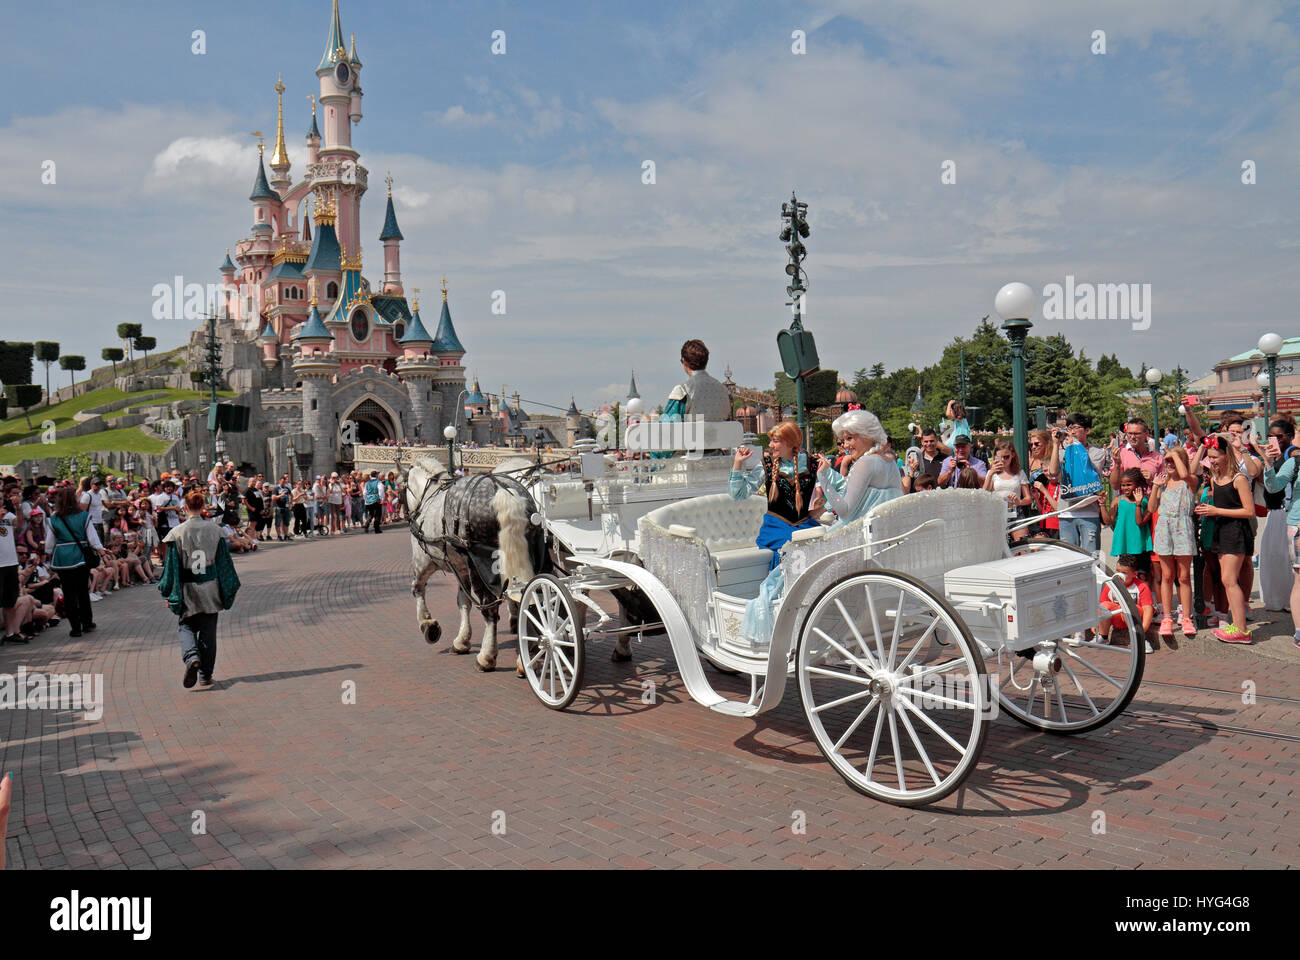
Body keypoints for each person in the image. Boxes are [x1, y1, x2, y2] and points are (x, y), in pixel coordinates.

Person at [729, 422, 819, 645]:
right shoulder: (767, 465)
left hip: (804, 526)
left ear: (789, 443)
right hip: (776, 528)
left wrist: (822, 509)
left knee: (815, 549)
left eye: (775, 441)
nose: (770, 445)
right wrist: (737, 465)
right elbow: (738, 494)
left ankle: (812, 611)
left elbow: (841, 489)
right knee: (788, 552)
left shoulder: (815, 464)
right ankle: (781, 615)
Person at [158, 489, 241, 689]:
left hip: (187, 588)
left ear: (185, 507)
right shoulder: (215, 530)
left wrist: (167, 589)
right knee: (208, 631)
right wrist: (228, 587)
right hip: (210, 587)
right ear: (203, 507)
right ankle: (205, 674)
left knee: (185, 625)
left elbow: (171, 566)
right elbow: (224, 563)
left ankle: (191, 656)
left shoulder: (177, 533)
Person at [1194, 435, 1255, 644]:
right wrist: (1207, 508)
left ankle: (1241, 629)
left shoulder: (1238, 479)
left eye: (1215, 457)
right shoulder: (1214, 478)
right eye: (1209, 457)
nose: (1212, 461)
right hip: (1222, 530)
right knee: (1226, 580)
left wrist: (1216, 509)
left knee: (1229, 580)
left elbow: (1249, 511)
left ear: (1226, 455)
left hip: (1235, 532)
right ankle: (1237, 625)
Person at [814, 409, 903, 528]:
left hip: (862, 538)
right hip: (888, 533)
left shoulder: (866, 463)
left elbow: (844, 511)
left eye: (849, 438)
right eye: (844, 440)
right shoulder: (890, 462)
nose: (845, 445)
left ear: (866, 436)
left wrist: (822, 476)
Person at [1149, 446, 1198, 644]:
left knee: (1184, 576)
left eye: (1172, 460)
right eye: (1166, 460)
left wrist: (1175, 455)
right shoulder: (1163, 484)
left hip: (1182, 527)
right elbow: (1152, 508)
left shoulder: (1189, 481)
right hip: (1164, 529)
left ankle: (1186, 617)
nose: (1168, 464)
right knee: (1167, 576)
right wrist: (1154, 486)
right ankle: (1167, 616)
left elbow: (1185, 473)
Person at [44, 484, 101, 638]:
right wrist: (100, 548)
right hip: (80, 555)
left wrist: (47, 554)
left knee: (69, 593)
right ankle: (87, 623)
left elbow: (49, 543)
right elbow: (92, 536)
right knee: (82, 591)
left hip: (62, 557)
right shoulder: (83, 515)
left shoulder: (54, 518)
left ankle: (75, 627)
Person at [1261, 420, 1300, 647]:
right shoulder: (1294, 462)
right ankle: (1298, 631)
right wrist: (1268, 462)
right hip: (1297, 525)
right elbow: (1274, 486)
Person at [662, 339, 732, 424]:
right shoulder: (724, 391)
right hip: (720, 437)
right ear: (706, 361)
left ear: (684, 362)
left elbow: (666, 426)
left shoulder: (683, 390)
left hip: (692, 437)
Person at [1097, 556, 1155, 646]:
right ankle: (1103, 637)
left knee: (1128, 608)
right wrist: (1096, 625)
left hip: (1135, 619)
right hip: (1116, 618)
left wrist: (1142, 630)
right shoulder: (1111, 585)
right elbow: (1102, 606)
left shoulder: (1141, 586)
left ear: (1134, 574)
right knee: (1104, 605)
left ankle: (1139, 639)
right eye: (1117, 571)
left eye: (1124, 573)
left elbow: (1148, 609)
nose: (1119, 575)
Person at [983, 440, 1031, 543]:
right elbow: (984, 493)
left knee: (1023, 546)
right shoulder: (992, 474)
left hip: (1015, 512)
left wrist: (1019, 502)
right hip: (997, 513)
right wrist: (991, 473)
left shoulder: (1019, 473)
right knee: (999, 549)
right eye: (999, 457)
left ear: (1012, 455)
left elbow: (1028, 498)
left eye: (1006, 457)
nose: (1003, 460)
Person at [901, 428, 944, 493]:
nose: (929, 444)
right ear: (922, 442)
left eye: (932, 441)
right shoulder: (918, 463)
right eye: (926, 441)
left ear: (937, 441)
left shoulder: (945, 459)